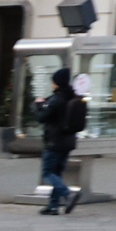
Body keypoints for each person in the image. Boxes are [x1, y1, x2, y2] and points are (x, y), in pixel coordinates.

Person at [35, 69, 88, 215]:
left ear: (56, 82)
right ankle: (53, 206)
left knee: (48, 173)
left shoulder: (56, 99)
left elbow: (42, 117)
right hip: (68, 141)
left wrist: (38, 105)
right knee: (57, 173)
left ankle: (67, 194)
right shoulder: (73, 96)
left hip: (55, 141)